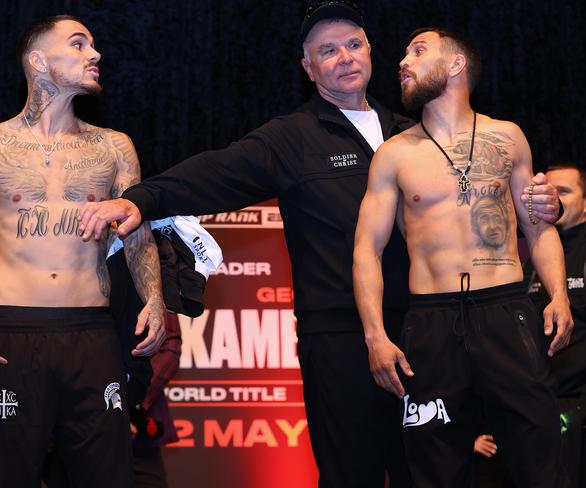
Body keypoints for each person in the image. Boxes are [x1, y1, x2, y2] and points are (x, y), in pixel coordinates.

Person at [77, 3, 560, 487]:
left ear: (371, 52)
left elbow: (484, 205)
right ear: (308, 69)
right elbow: (215, 172)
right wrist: (142, 199)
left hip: (426, 332)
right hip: (340, 339)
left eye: (353, 45)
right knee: (351, 473)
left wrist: (541, 207)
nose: (344, 57)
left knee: (433, 472)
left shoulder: (414, 135)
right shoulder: (293, 137)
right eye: (327, 51)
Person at [353, 27, 572, 488]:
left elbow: (539, 225)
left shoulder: (507, 137)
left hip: (506, 311)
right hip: (431, 323)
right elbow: (366, 251)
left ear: (455, 65)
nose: (402, 63)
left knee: (540, 460)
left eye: (418, 51)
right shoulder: (393, 155)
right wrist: (375, 335)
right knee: (435, 467)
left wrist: (558, 295)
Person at [0, 15, 165, 488]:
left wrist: (154, 298)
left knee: (107, 475)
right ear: (39, 60)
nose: (95, 54)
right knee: (4, 475)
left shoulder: (114, 147)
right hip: (12, 335)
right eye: (79, 43)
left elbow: (138, 234)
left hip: (91, 331)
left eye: (93, 44)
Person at [525, 161, 586, 487]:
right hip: (537, 401)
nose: (553, 198)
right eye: (547, 190)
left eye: (564, 191)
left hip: (577, 405)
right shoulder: (534, 252)